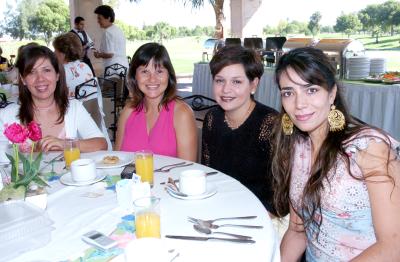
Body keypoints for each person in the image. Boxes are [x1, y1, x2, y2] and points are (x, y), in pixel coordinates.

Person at [272, 47, 400, 261]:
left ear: (332, 94)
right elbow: (297, 231)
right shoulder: (297, 148)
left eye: (311, 90)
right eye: (288, 92)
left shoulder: (368, 148)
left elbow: (393, 246)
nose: (299, 104)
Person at [201, 46, 278, 215]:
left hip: (260, 216)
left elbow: (281, 194)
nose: (226, 89)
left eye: (236, 81)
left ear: (253, 84)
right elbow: (208, 173)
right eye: (220, 80)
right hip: (218, 210)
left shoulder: (270, 124)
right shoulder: (212, 118)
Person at [0, 45, 107, 152]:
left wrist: (66, 144)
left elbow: (101, 144)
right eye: (32, 72)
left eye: (46, 70)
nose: (40, 79)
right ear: (23, 79)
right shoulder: (6, 116)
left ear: (57, 75)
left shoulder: (73, 108)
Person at [115, 43, 197, 162]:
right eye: (144, 72)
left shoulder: (182, 114)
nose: (152, 79)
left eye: (159, 71)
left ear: (168, 75)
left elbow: (187, 171)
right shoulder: (128, 111)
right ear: (134, 76)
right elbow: (117, 161)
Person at [93, 5, 128, 71]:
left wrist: (98, 55)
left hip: (113, 69)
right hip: (123, 67)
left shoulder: (107, 32)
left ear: (108, 18)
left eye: (100, 18)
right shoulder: (118, 29)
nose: (98, 21)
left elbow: (110, 54)